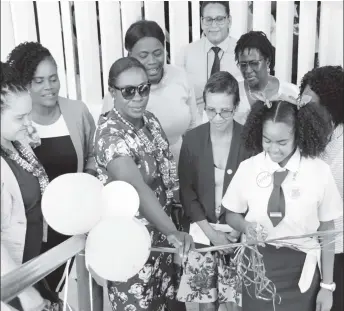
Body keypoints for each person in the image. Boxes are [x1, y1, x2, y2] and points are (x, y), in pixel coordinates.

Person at [222, 98, 342, 311]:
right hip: (257, 269)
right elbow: (231, 213)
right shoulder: (249, 168)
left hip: (300, 272)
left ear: (299, 134)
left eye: (282, 142)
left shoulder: (319, 171)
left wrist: (327, 286)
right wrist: (245, 227)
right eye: (267, 140)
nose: (273, 149)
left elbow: (327, 230)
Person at [94, 56, 194, 311]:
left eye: (143, 88)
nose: (137, 97)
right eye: (128, 91)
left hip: (162, 242)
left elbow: (166, 175)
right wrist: (173, 231)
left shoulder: (150, 120)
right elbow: (136, 187)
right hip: (131, 246)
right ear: (112, 91)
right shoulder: (109, 134)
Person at [7, 42, 99, 306]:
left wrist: (87, 179)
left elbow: (92, 152)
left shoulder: (77, 111)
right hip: (35, 228)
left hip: (73, 223)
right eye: (38, 81)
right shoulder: (17, 124)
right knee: (39, 297)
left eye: (53, 78)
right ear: (25, 85)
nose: (49, 86)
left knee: (74, 293)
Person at [177, 71, 251, 311]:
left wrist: (238, 231)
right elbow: (187, 193)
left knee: (234, 304)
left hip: (237, 233)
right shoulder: (192, 139)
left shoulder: (250, 140)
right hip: (202, 231)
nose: (217, 117)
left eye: (225, 111)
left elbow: (255, 192)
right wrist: (212, 234)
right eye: (211, 110)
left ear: (236, 106)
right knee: (205, 305)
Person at [102, 20, 199, 165]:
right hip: (137, 169)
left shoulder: (180, 76)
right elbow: (108, 139)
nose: (152, 60)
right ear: (130, 54)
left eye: (157, 53)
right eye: (143, 55)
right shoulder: (121, 88)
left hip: (181, 164)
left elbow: (194, 127)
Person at [1, 62, 51, 310]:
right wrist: (23, 290)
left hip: (29, 267)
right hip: (9, 282)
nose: (27, 122)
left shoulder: (15, 141)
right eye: (20, 117)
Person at [299, 65, 344, 311]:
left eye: (311, 104)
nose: (304, 109)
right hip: (305, 254)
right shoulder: (302, 138)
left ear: (332, 107)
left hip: (338, 254)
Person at [176, 1, 242, 115]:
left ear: (229, 21)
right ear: (202, 22)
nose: (214, 25)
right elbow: (179, 96)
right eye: (208, 19)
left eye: (220, 19)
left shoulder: (242, 52)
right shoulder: (186, 53)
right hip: (196, 124)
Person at [233, 31, 299, 125]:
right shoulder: (232, 93)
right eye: (243, 65)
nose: (248, 70)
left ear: (267, 61)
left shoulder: (290, 92)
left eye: (254, 63)